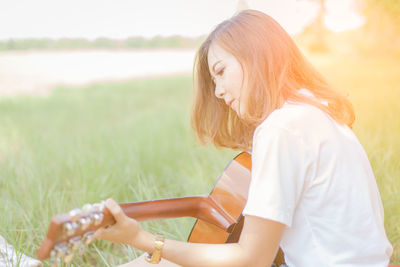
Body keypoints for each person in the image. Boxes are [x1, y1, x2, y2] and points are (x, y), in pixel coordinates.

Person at [94, 9, 393, 267]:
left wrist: (142, 239)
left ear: (256, 54)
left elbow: (252, 259)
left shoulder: (281, 128)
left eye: (221, 72)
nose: (218, 91)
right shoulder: (318, 110)